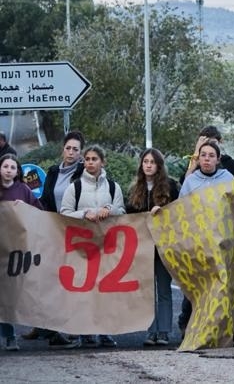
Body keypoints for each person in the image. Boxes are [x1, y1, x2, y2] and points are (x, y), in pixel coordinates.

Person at [59, 145, 125, 348]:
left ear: (102, 162)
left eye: (94, 159)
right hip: (82, 247)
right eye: (87, 159)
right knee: (82, 291)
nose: (90, 162)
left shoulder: (113, 187)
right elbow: (64, 212)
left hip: (107, 245)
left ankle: (105, 332)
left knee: (104, 291)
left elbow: (122, 211)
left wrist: (109, 209)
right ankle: (82, 332)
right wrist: (84, 213)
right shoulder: (75, 187)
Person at [178, 139, 234, 333]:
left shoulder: (228, 178)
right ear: (198, 158)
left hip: (222, 242)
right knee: (196, 285)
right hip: (198, 242)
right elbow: (181, 209)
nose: (207, 159)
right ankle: (188, 323)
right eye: (203, 155)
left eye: (211, 156)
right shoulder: (191, 181)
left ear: (218, 159)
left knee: (221, 285)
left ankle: (222, 328)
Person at [125, 148, 180, 347]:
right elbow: (128, 216)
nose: (148, 165)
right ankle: (151, 331)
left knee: (164, 290)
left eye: (152, 162)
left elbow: (179, 212)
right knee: (148, 291)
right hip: (143, 247)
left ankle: (164, 331)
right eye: (145, 161)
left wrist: (163, 211)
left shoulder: (171, 187)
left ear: (159, 165)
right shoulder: (134, 189)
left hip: (163, 246)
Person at [1, 154, 42, 351]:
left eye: (12, 167)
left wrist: (25, 208)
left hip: (15, 250)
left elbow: (39, 212)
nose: (8, 170)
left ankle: (9, 336)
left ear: (18, 172)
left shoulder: (24, 190)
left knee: (9, 295)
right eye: (5, 166)